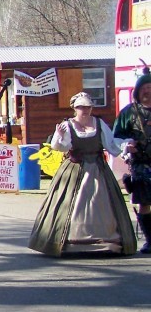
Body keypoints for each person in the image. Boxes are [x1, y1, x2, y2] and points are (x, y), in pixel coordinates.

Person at [29, 93, 136, 256]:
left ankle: (108, 241)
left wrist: (126, 149)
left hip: (98, 170)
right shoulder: (67, 125)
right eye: (81, 107)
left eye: (87, 107)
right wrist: (60, 136)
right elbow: (59, 148)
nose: (84, 110)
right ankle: (69, 242)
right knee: (70, 204)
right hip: (74, 169)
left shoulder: (99, 124)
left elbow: (112, 146)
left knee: (100, 203)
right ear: (74, 108)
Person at [114, 71, 151, 252]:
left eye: (150, 88)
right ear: (137, 91)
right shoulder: (129, 112)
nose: (147, 92)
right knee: (144, 202)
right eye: (144, 88)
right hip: (140, 164)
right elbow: (117, 137)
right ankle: (150, 240)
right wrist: (128, 145)